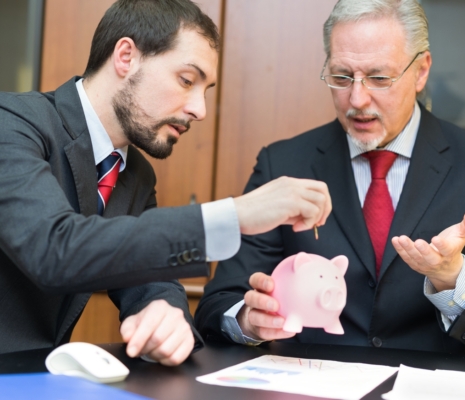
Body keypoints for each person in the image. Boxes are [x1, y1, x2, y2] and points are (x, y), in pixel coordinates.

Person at [0, 0, 331, 363]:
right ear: (126, 57)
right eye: (186, 80)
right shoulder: (11, 123)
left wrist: (168, 319)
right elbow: (54, 250)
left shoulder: (136, 175)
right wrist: (233, 214)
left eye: (205, 90)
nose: (199, 110)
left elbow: (153, 282)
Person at [195, 0, 465, 355]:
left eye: (379, 78)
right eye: (341, 77)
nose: (357, 99)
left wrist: (452, 278)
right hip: (310, 380)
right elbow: (218, 304)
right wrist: (249, 320)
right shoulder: (283, 163)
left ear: (421, 71)